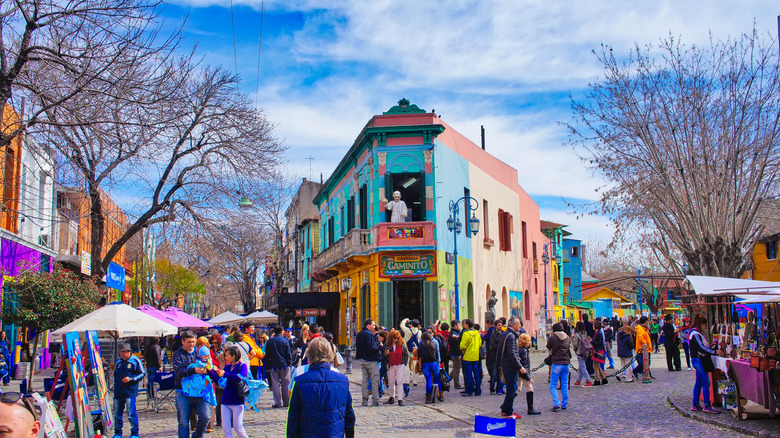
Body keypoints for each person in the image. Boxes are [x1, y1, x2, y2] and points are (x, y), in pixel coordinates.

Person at [287, 337, 356, 437]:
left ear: (309, 355)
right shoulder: (342, 381)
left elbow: (293, 418)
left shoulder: (300, 382)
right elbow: (349, 416)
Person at [174, 330, 210, 438]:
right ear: (183, 342)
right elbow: (178, 372)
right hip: (182, 391)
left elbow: (209, 365)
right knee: (183, 422)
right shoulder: (177, 354)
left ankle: (197, 436)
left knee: (205, 416)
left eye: (193, 342)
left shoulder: (200, 352)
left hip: (199, 390)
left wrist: (208, 369)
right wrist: (194, 370)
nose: (192, 344)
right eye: (189, 342)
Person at [212, 345, 249, 438]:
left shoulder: (242, 366)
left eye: (227, 355)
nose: (225, 357)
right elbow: (219, 381)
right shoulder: (227, 367)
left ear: (233, 356)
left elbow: (240, 377)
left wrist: (225, 374)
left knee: (238, 426)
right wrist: (210, 371)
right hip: (226, 400)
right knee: (226, 428)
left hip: (237, 400)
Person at [113, 342, 145, 438]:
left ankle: (134, 433)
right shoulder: (118, 362)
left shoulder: (135, 360)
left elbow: (142, 374)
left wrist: (131, 379)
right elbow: (115, 375)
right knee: (117, 414)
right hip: (118, 392)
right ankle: (118, 433)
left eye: (124, 352)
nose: (122, 354)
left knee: (131, 414)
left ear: (129, 352)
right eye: (121, 352)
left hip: (130, 392)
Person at [689, 315, 719, 414]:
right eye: (705, 325)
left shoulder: (695, 333)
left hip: (697, 359)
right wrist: (714, 352)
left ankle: (695, 404)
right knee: (706, 381)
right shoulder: (695, 334)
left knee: (699, 382)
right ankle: (707, 405)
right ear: (700, 324)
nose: (706, 327)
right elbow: (701, 347)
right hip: (698, 360)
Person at [497, 316, 523, 418]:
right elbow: (511, 353)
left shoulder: (505, 334)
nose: (520, 326)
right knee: (512, 388)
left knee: (512, 387)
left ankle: (505, 409)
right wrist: (519, 366)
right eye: (519, 324)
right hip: (509, 366)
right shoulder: (511, 336)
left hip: (505, 364)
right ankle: (508, 411)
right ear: (514, 325)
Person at [355, 318, 382, 406]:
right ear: (368, 325)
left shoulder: (359, 334)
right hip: (371, 360)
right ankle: (375, 400)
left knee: (364, 381)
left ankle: (364, 400)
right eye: (373, 325)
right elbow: (372, 348)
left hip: (362, 360)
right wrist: (379, 346)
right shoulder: (369, 334)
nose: (374, 327)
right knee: (374, 380)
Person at [265, 324, 293, 409]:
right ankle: (286, 401)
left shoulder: (270, 341)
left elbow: (267, 355)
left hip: (273, 365)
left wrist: (267, 366)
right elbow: (288, 353)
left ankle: (277, 402)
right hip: (284, 365)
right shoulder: (285, 341)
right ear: (282, 331)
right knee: (286, 384)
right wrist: (289, 362)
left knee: (275, 384)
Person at [546, 322, 570, 412]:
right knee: (564, 384)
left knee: (553, 385)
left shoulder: (553, 337)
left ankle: (556, 403)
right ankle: (564, 403)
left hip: (556, 363)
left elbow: (548, 346)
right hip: (566, 363)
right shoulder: (567, 338)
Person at [383, 330, 409, 406]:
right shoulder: (387, 344)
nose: (397, 339)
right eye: (395, 338)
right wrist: (386, 354)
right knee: (391, 382)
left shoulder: (402, 344)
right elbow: (383, 355)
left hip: (400, 365)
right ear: (391, 338)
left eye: (398, 338)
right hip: (391, 365)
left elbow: (406, 354)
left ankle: (400, 399)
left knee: (400, 382)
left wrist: (403, 363)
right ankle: (391, 397)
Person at [517, 333, 540, 415]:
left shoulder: (520, 349)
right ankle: (530, 409)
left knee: (518, 389)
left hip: (519, 372)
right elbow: (524, 364)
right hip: (523, 372)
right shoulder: (523, 351)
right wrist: (528, 377)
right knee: (529, 388)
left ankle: (505, 405)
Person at [459, 318, 482, 397]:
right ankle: (478, 390)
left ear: (467, 325)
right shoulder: (477, 333)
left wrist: (463, 349)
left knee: (469, 374)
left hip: (468, 356)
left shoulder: (466, 334)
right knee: (476, 373)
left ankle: (469, 390)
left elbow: (462, 345)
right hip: (475, 356)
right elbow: (480, 344)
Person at [418, 332, 441, 404]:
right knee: (437, 379)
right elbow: (437, 353)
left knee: (429, 380)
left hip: (425, 364)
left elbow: (419, 355)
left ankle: (428, 398)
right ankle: (440, 396)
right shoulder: (434, 343)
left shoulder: (421, 344)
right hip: (434, 363)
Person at [488, 317, 507, 395]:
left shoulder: (503, 333)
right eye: (499, 325)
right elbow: (492, 345)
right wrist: (500, 346)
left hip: (501, 357)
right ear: (495, 326)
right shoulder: (493, 334)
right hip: (495, 356)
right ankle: (492, 389)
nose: (500, 326)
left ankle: (500, 388)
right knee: (494, 373)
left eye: (501, 325)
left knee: (501, 374)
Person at [571, 321, 593, 387]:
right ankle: (578, 380)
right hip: (585, 351)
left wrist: (575, 349)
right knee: (581, 367)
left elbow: (575, 344)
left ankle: (588, 380)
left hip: (579, 352)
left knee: (583, 367)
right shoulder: (585, 333)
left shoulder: (577, 334)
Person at [633, 316, 653, 383]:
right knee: (644, 363)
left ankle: (646, 373)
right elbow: (641, 338)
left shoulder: (643, 328)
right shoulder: (641, 329)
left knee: (646, 363)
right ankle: (636, 371)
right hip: (643, 349)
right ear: (646, 321)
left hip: (646, 349)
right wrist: (646, 344)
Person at [615, 316, 636, 382]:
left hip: (620, 350)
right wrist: (632, 346)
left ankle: (618, 374)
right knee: (628, 365)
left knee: (622, 364)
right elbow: (630, 344)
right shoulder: (629, 333)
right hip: (627, 351)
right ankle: (628, 378)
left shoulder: (619, 333)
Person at [591, 319, 608, 385]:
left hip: (598, 351)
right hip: (597, 350)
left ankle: (597, 379)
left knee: (595, 366)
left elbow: (600, 343)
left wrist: (592, 342)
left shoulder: (599, 333)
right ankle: (603, 378)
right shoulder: (597, 333)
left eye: (593, 325)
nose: (593, 326)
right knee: (597, 366)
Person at [448, 320, 463, 390]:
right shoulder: (453, 334)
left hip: (454, 353)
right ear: (455, 326)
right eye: (458, 325)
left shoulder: (453, 333)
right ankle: (456, 383)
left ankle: (446, 379)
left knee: (455, 368)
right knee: (456, 370)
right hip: (455, 354)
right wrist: (459, 353)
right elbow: (456, 345)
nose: (459, 326)